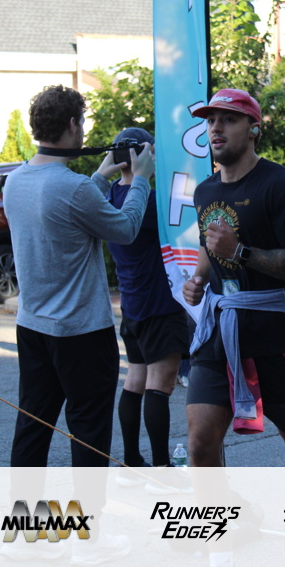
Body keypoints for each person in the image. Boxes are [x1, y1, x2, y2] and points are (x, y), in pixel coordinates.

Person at [2, 85, 154, 563]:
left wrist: (101, 175)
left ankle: (26, 534)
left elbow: (64, 210)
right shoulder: (73, 189)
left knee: (33, 427)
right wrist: (139, 180)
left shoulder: (15, 181)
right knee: (89, 434)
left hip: (33, 327)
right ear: (73, 125)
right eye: (82, 122)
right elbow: (124, 228)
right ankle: (89, 536)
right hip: (82, 333)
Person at [181, 88, 285, 468]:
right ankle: (218, 508)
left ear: (254, 128)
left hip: (277, 334)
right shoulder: (205, 190)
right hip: (220, 330)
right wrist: (199, 280)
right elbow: (210, 245)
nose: (216, 128)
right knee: (200, 443)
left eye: (229, 119)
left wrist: (241, 253)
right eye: (211, 121)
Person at [106, 127, 192, 485]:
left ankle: (130, 462)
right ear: (145, 154)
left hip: (132, 305)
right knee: (161, 384)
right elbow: (188, 218)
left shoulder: (109, 195)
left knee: (135, 379)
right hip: (160, 303)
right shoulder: (151, 203)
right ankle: (161, 470)